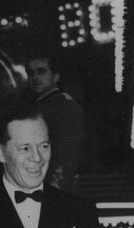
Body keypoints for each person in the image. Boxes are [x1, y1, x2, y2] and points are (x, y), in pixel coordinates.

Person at [28, 54, 85, 192]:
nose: (35, 77)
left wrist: (54, 194)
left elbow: (65, 157)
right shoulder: (36, 107)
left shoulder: (64, 106)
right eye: (31, 73)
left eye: (41, 71)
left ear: (55, 77)